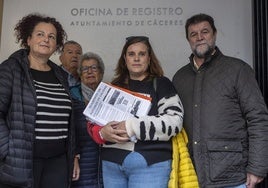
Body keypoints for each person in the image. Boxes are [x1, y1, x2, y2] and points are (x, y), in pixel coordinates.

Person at [172, 13, 268, 188]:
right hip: (191, 176)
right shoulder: (180, 77)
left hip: (232, 175)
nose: (199, 37)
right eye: (193, 34)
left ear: (214, 34)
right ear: (188, 40)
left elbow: (258, 118)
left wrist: (257, 167)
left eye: (205, 31)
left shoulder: (238, 70)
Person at [87, 36, 184, 188]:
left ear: (149, 58)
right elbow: (92, 122)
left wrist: (131, 126)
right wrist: (102, 133)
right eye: (131, 54)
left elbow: (174, 122)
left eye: (142, 54)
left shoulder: (162, 84)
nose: (136, 58)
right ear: (125, 59)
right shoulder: (113, 86)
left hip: (150, 163)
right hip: (112, 164)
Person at [0, 13, 78, 188]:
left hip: (58, 161)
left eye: (51, 36)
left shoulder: (60, 75)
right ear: (28, 39)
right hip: (24, 161)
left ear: (56, 44)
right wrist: (7, 150)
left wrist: (73, 155)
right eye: (40, 34)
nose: (46, 40)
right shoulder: (10, 69)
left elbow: (69, 121)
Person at [71, 52, 105, 188]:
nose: (89, 72)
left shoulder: (111, 95)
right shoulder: (72, 97)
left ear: (101, 73)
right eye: (85, 69)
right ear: (80, 74)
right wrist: (74, 156)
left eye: (94, 68)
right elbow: (68, 131)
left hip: (108, 162)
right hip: (82, 161)